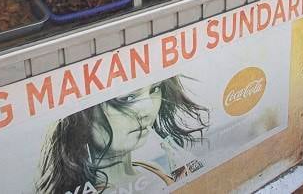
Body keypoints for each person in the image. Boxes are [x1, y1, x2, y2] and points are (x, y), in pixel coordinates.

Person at [36, 76, 209, 194]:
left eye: (155, 88)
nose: (147, 110)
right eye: (126, 98)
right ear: (81, 116)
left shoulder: (152, 170)